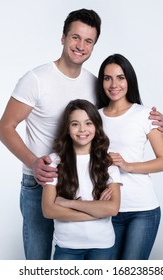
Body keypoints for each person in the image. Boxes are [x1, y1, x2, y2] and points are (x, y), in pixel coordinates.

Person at [0, 9, 163, 260]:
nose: (81, 46)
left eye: (89, 41)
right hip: (40, 181)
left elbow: (115, 115)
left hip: (81, 183)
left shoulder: (94, 84)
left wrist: (153, 121)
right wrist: (33, 162)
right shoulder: (36, 79)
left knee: (80, 254)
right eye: (75, 37)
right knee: (39, 261)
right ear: (63, 38)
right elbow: (5, 127)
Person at [96, 54, 163, 260]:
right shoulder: (94, 117)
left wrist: (128, 166)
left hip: (142, 210)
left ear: (129, 80)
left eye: (120, 77)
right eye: (107, 78)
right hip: (106, 208)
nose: (114, 84)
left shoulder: (145, 115)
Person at [41, 99, 122, 260]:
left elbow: (112, 209)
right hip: (67, 246)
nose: (82, 129)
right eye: (75, 124)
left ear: (96, 126)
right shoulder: (54, 161)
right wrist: (97, 211)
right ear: (67, 129)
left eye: (88, 123)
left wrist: (68, 203)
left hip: (102, 245)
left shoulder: (107, 162)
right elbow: (48, 210)